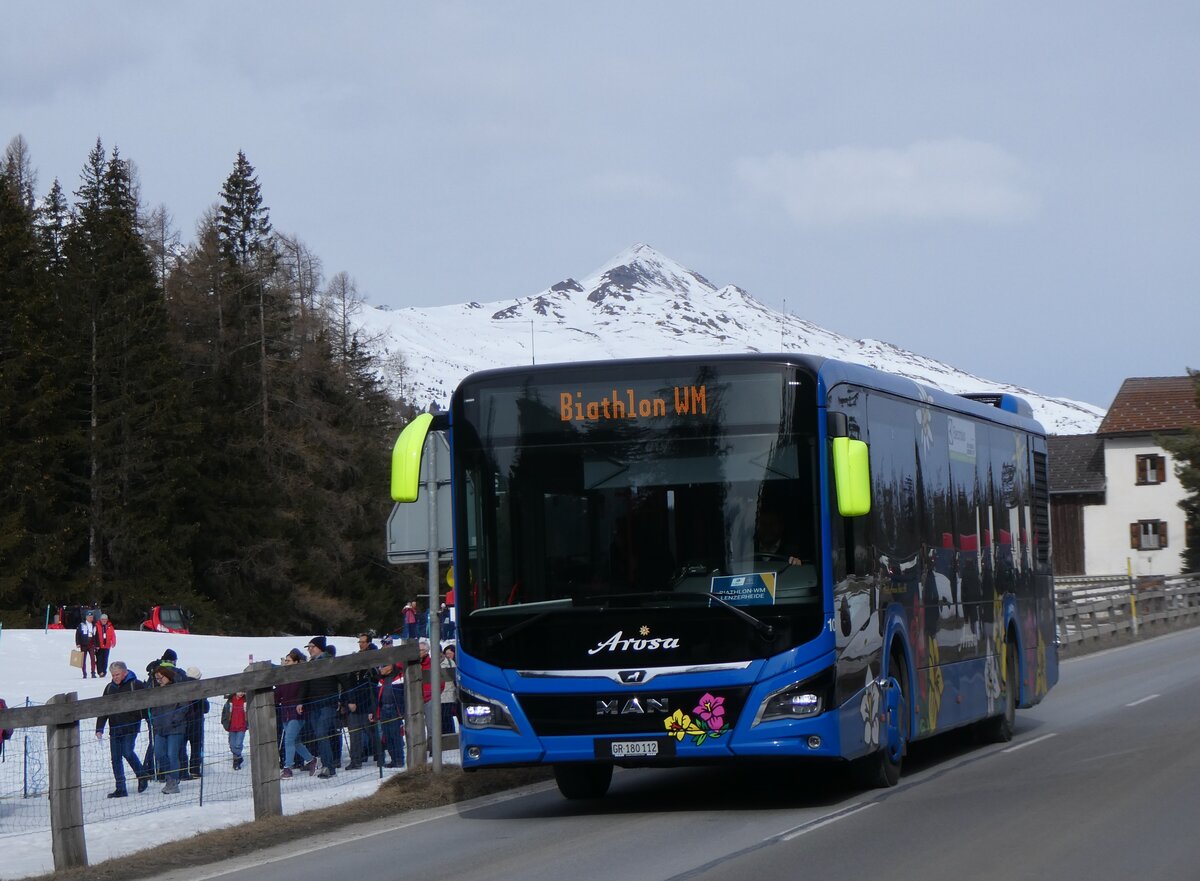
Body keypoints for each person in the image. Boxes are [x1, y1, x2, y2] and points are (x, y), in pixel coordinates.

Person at [95, 661, 148, 797]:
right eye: (113, 675)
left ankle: (142, 775)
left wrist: (147, 720)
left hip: (131, 726)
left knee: (127, 752)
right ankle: (120, 788)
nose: (115, 678)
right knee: (115, 758)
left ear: (125, 672)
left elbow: (147, 703)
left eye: (117, 674)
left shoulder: (135, 685)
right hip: (115, 728)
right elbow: (104, 709)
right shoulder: (109, 688)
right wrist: (99, 728)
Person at [297, 636, 341, 778]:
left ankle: (329, 766)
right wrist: (301, 701)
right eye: (308, 647)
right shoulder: (310, 664)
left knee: (322, 733)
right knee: (319, 735)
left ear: (320, 647)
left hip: (327, 703)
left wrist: (346, 699)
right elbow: (305, 684)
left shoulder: (330, 661)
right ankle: (327, 764)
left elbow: (342, 679)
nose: (309, 650)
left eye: (312, 646)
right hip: (314, 705)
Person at [276, 648, 318, 778]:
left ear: (295, 662)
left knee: (289, 739)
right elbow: (278, 693)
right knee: (295, 741)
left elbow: (301, 692)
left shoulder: (300, 676)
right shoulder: (284, 677)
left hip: (296, 712)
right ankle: (311, 760)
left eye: (288, 661)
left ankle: (288, 768)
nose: (285, 663)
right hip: (286, 712)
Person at [149, 665, 189, 794]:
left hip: (175, 728)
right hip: (160, 727)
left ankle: (173, 781)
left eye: (161, 677)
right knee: (159, 753)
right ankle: (169, 776)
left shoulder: (177, 688)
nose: (159, 680)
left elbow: (184, 705)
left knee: (172, 754)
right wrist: (155, 720)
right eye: (157, 678)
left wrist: (175, 719)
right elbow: (153, 708)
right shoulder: (155, 691)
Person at [343, 633, 377, 770]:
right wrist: (348, 700)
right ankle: (355, 760)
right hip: (355, 700)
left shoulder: (374, 657)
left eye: (363, 642)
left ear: (368, 643)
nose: (361, 644)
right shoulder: (357, 658)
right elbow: (350, 681)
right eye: (360, 642)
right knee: (354, 733)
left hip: (368, 700)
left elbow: (374, 679)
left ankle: (379, 755)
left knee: (371, 731)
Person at [369, 660, 405, 768]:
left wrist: (403, 710)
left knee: (395, 735)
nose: (380, 669)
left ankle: (399, 759)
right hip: (384, 709)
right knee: (387, 736)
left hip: (395, 709)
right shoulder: (381, 680)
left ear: (390, 667)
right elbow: (376, 698)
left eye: (383, 667)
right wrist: (374, 711)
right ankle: (393, 759)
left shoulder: (400, 677)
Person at [221, 691, 249, 770]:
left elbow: (250, 712)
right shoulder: (230, 701)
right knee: (232, 745)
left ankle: (236, 761)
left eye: (243, 692)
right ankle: (239, 757)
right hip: (232, 726)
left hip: (241, 726)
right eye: (239, 691)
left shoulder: (246, 701)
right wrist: (225, 722)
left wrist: (247, 723)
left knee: (238, 744)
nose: (241, 693)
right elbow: (224, 713)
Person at [440, 642, 459, 733]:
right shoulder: (442, 663)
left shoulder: (452, 663)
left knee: (447, 717)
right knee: (443, 717)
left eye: (449, 653)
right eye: (446, 653)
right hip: (442, 695)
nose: (447, 655)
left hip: (450, 695)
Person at [76, 611, 99, 679]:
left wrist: (97, 644)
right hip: (84, 644)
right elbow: (78, 634)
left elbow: (96, 635)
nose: (90, 618)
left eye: (91, 617)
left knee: (92, 658)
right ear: (86, 617)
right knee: (83, 659)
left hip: (91, 644)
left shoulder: (94, 625)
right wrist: (78, 643)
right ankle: (84, 673)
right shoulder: (82, 625)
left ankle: (93, 672)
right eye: (89, 617)